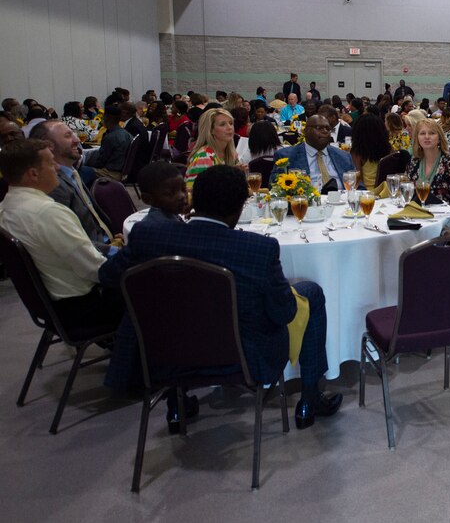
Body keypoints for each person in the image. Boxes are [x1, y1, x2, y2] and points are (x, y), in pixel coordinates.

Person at [100, 165, 341, 429]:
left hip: (163, 352)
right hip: (245, 358)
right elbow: (283, 313)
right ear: (239, 208)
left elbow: (109, 276)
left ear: (194, 198)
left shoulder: (148, 236)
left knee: (176, 308)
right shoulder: (258, 249)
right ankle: (309, 399)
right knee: (311, 293)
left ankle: (177, 407)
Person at [0, 140, 123, 330]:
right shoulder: (48, 213)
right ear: (33, 174)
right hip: (83, 309)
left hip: (49, 306)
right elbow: (96, 270)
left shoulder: (5, 209)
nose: (57, 167)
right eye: (51, 163)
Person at [30, 120, 114, 251]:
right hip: (95, 254)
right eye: (68, 136)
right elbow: (69, 242)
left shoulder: (71, 172)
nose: (76, 140)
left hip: (105, 241)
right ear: (48, 145)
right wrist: (114, 250)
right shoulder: (53, 185)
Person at [406, 118, 450, 230]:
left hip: (444, 222)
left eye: (432, 133)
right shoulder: (414, 162)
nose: (427, 137)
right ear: (417, 138)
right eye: (422, 133)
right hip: (417, 217)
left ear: (439, 138)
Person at [271, 114, 355, 192]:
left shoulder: (344, 156)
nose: (325, 131)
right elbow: (275, 188)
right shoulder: (286, 157)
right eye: (319, 128)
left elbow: (358, 187)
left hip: (341, 204)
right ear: (306, 131)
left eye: (328, 128)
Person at [185, 107, 243, 187]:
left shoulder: (231, 153)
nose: (229, 128)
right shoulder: (204, 157)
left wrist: (238, 174)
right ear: (210, 130)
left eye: (231, 123)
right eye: (222, 124)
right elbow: (194, 194)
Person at [85, 105, 132, 181]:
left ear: (106, 118)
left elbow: (101, 161)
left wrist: (88, 165)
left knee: (81, 170)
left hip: (111, 173)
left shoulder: (110, 137)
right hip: (123, 171)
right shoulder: (128, 134)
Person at [134, 161, 188, 228]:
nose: (182, 196)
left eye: (183, 189)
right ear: (147, 199)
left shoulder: (170, 214)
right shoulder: (159, 229)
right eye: (170, 193)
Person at [349, 113, 391, 190]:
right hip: (385, 191)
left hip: (366, 194)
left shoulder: (357, 152)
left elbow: (358, 180)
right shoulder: (389, 149)